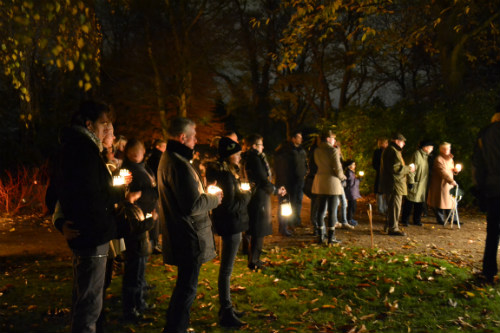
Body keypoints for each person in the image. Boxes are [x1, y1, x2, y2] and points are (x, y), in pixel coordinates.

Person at [53, 100, 130, 333]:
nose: (108, 130)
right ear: (89, 124)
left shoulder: (78, 148)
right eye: (103, 124)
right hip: (91, 235)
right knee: (89, 303)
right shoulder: (83, 151)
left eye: (110, 125)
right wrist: (117, 191)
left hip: (87, 233)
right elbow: (91, 196)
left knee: (84, 298)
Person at [157, 117, 222, 333]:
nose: (196, 140)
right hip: (187, 236)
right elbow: (192, 204)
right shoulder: (178, 164)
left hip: (182, 234)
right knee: (186, 289)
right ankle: (176, 328)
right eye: (193, 136)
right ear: (182, 137)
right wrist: (215, 198)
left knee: (185, 287)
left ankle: (176, 326)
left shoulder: (172, 159)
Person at [205, 137, 251, 328]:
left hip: (231, 223)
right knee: (226, 270)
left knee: (227, 269)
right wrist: (247, 195)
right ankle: (226, 311)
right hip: (231, 224)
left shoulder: (226, 173)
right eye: (238, 154)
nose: (240, 157)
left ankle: (227, 306)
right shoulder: (225, 176)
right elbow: (230, 205)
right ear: (230, 154)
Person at [120, 139, 158, 321]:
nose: (137, 154)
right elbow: (126, 194)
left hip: (146, 219)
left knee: (141, 262)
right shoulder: (127, 171)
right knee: (134, 265)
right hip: (136, 222)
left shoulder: (143, 167)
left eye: (139, 151)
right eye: (133, 151)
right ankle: (131, 308)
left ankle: (139, 301)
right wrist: (142, 196)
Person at [244, 134, 286, 270]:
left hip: (259, 195)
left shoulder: (252, 157)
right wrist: (275, 190)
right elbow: (262, 179)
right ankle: (254, 261)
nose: (263, 147)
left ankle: (254, 258)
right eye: (261, 144)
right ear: (254, 146)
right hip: (259, 197)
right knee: (258, 228)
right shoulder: (255, 159)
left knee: (257, 228)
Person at [473, 107, 500, 283]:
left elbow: (478, 165)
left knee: (493, 230)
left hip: (493, 188)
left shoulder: (485, 134)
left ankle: (489, 271)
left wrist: (479, 188)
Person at [311, 130, 346, 244]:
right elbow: (337, 167)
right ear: (328, 139)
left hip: (320, 181)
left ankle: (320, 236)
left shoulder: (316, 150)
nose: (334, 140)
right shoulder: (333, 150)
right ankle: (331, 237)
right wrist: (342, 178)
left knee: (321, 210)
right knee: (332, 210)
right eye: (333, 138)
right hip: (332, 182)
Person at [379, 133, 415, 236]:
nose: (404, 144)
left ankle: (389, 226)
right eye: (402, 141)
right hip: (394, 184)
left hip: (394, 183)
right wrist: (409, 168)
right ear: (397, 141)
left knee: (392, 206)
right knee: (395, 206)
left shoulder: (392, 150)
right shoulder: (392, 151)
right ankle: (393, 228)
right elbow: (395, 169)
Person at [274, 130, 308, 236]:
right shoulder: (284, 151)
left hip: (299, 181)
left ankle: (295, 221)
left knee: (297, 202)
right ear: (293, 138)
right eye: (298, 137)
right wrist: (283, 183)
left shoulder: (301, 150)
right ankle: (284, 226)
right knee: (286, 204)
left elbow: (304, 163)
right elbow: (282, 168)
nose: (301, 139)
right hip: (288, 182)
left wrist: (305, 170)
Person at [401, 140, 434, 226]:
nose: (432, 149)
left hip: (423, 184)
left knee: (420, 202)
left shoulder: (428, 157)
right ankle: (405, 220)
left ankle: (417, 220)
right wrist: (411, 181)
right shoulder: (417, 155)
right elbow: (412, 168)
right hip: (416, 182)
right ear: (425, 147)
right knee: (409, 201)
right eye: (430, 147)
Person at [427, 142, 461, 225]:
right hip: (440, 184)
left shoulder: (450, 159)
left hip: (448, 184)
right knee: (440, 202)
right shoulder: (439, 159)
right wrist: (451, 180)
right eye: (445, 148)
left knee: (449, 201)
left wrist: (455, 171)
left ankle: (452, 218)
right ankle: (440, 219)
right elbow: (442, 172)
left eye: (449, 148)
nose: (448, 150)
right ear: (441, 150)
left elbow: (449, 170)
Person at [146, 138, 166, 254]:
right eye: (164, 147)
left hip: (154, 191)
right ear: (158, 147)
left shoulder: (152, 158)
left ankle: (155, 242)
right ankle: (155, 243)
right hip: (156, 192)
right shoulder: (158, 158)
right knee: (156, 216)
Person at [372, 138, 388, 214]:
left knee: (386, 192)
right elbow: (374, 163)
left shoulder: (388, 152)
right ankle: (380, 208)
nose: (386, 144)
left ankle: (385, 208)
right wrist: (380, 169)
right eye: (385, 143)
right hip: (380, 174)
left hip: (387, 174)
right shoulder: (377, 152)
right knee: (379, 192)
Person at [344, 160, 362, 225]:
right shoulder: (349, 173)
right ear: (350, 166)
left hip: (352, 191)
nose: (355, 166)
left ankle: (350, 218)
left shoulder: (351, 172)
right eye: (354, 164)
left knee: (353, 205)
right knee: (352, 206)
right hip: (351, 191)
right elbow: (351, 183)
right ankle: (349, 219)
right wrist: (358, 180)